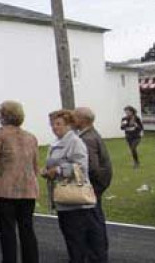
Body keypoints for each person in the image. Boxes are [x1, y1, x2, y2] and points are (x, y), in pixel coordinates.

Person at [44, 110, 106, 263]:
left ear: (69, 125)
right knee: (71, 238)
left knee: (77, 239)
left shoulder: (75, 142)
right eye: (52, 124)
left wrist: (57, 170)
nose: (54, 127)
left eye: (58, 124)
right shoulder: (56, 143)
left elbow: (81, 167)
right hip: (62, 198)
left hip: (75, 200)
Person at [0, 101, 39, 263]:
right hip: (28, 189)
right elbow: (34, 165)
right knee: (27, 229)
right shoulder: (31, 137)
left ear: (4, 116)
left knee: (7, 231)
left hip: (5, 189)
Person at [73, 107, 112, 259]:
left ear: (82, 120)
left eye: (75, 117)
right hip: (98, 183)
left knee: (93, 222)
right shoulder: (92, 134)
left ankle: (97, 254)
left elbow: (91, 166)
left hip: (93, 185)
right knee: (96, 219)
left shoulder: (87, 138)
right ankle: (99, 251)